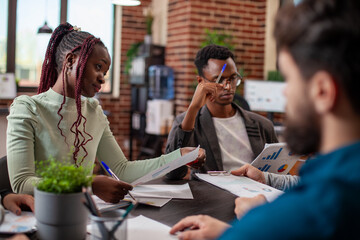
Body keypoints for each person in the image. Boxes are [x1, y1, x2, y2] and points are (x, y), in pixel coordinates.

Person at [170, 0, 360, 239]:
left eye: (290, 80)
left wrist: (256, 225)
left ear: (322, 91)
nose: (284, 93)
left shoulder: (294, 217)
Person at [6, 23, 205, 203]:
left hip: (83, 213)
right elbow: (22, 183)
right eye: (98, 67)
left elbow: (122, 170)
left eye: (105, 72)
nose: (102, 78)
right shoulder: (28, 108)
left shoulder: (93, 111)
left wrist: (178, 156)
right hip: (43, 215)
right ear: (70, 60)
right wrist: (88, 184)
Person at [166, 44, 278, 180]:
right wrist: (193, 108)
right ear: (201, 81)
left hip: (257, 197)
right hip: (213, 197)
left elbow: (277, 173)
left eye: (232, 78)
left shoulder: (263, 125)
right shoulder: (188, 122)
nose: (228, 86)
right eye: (218, 80)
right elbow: (172, 173)